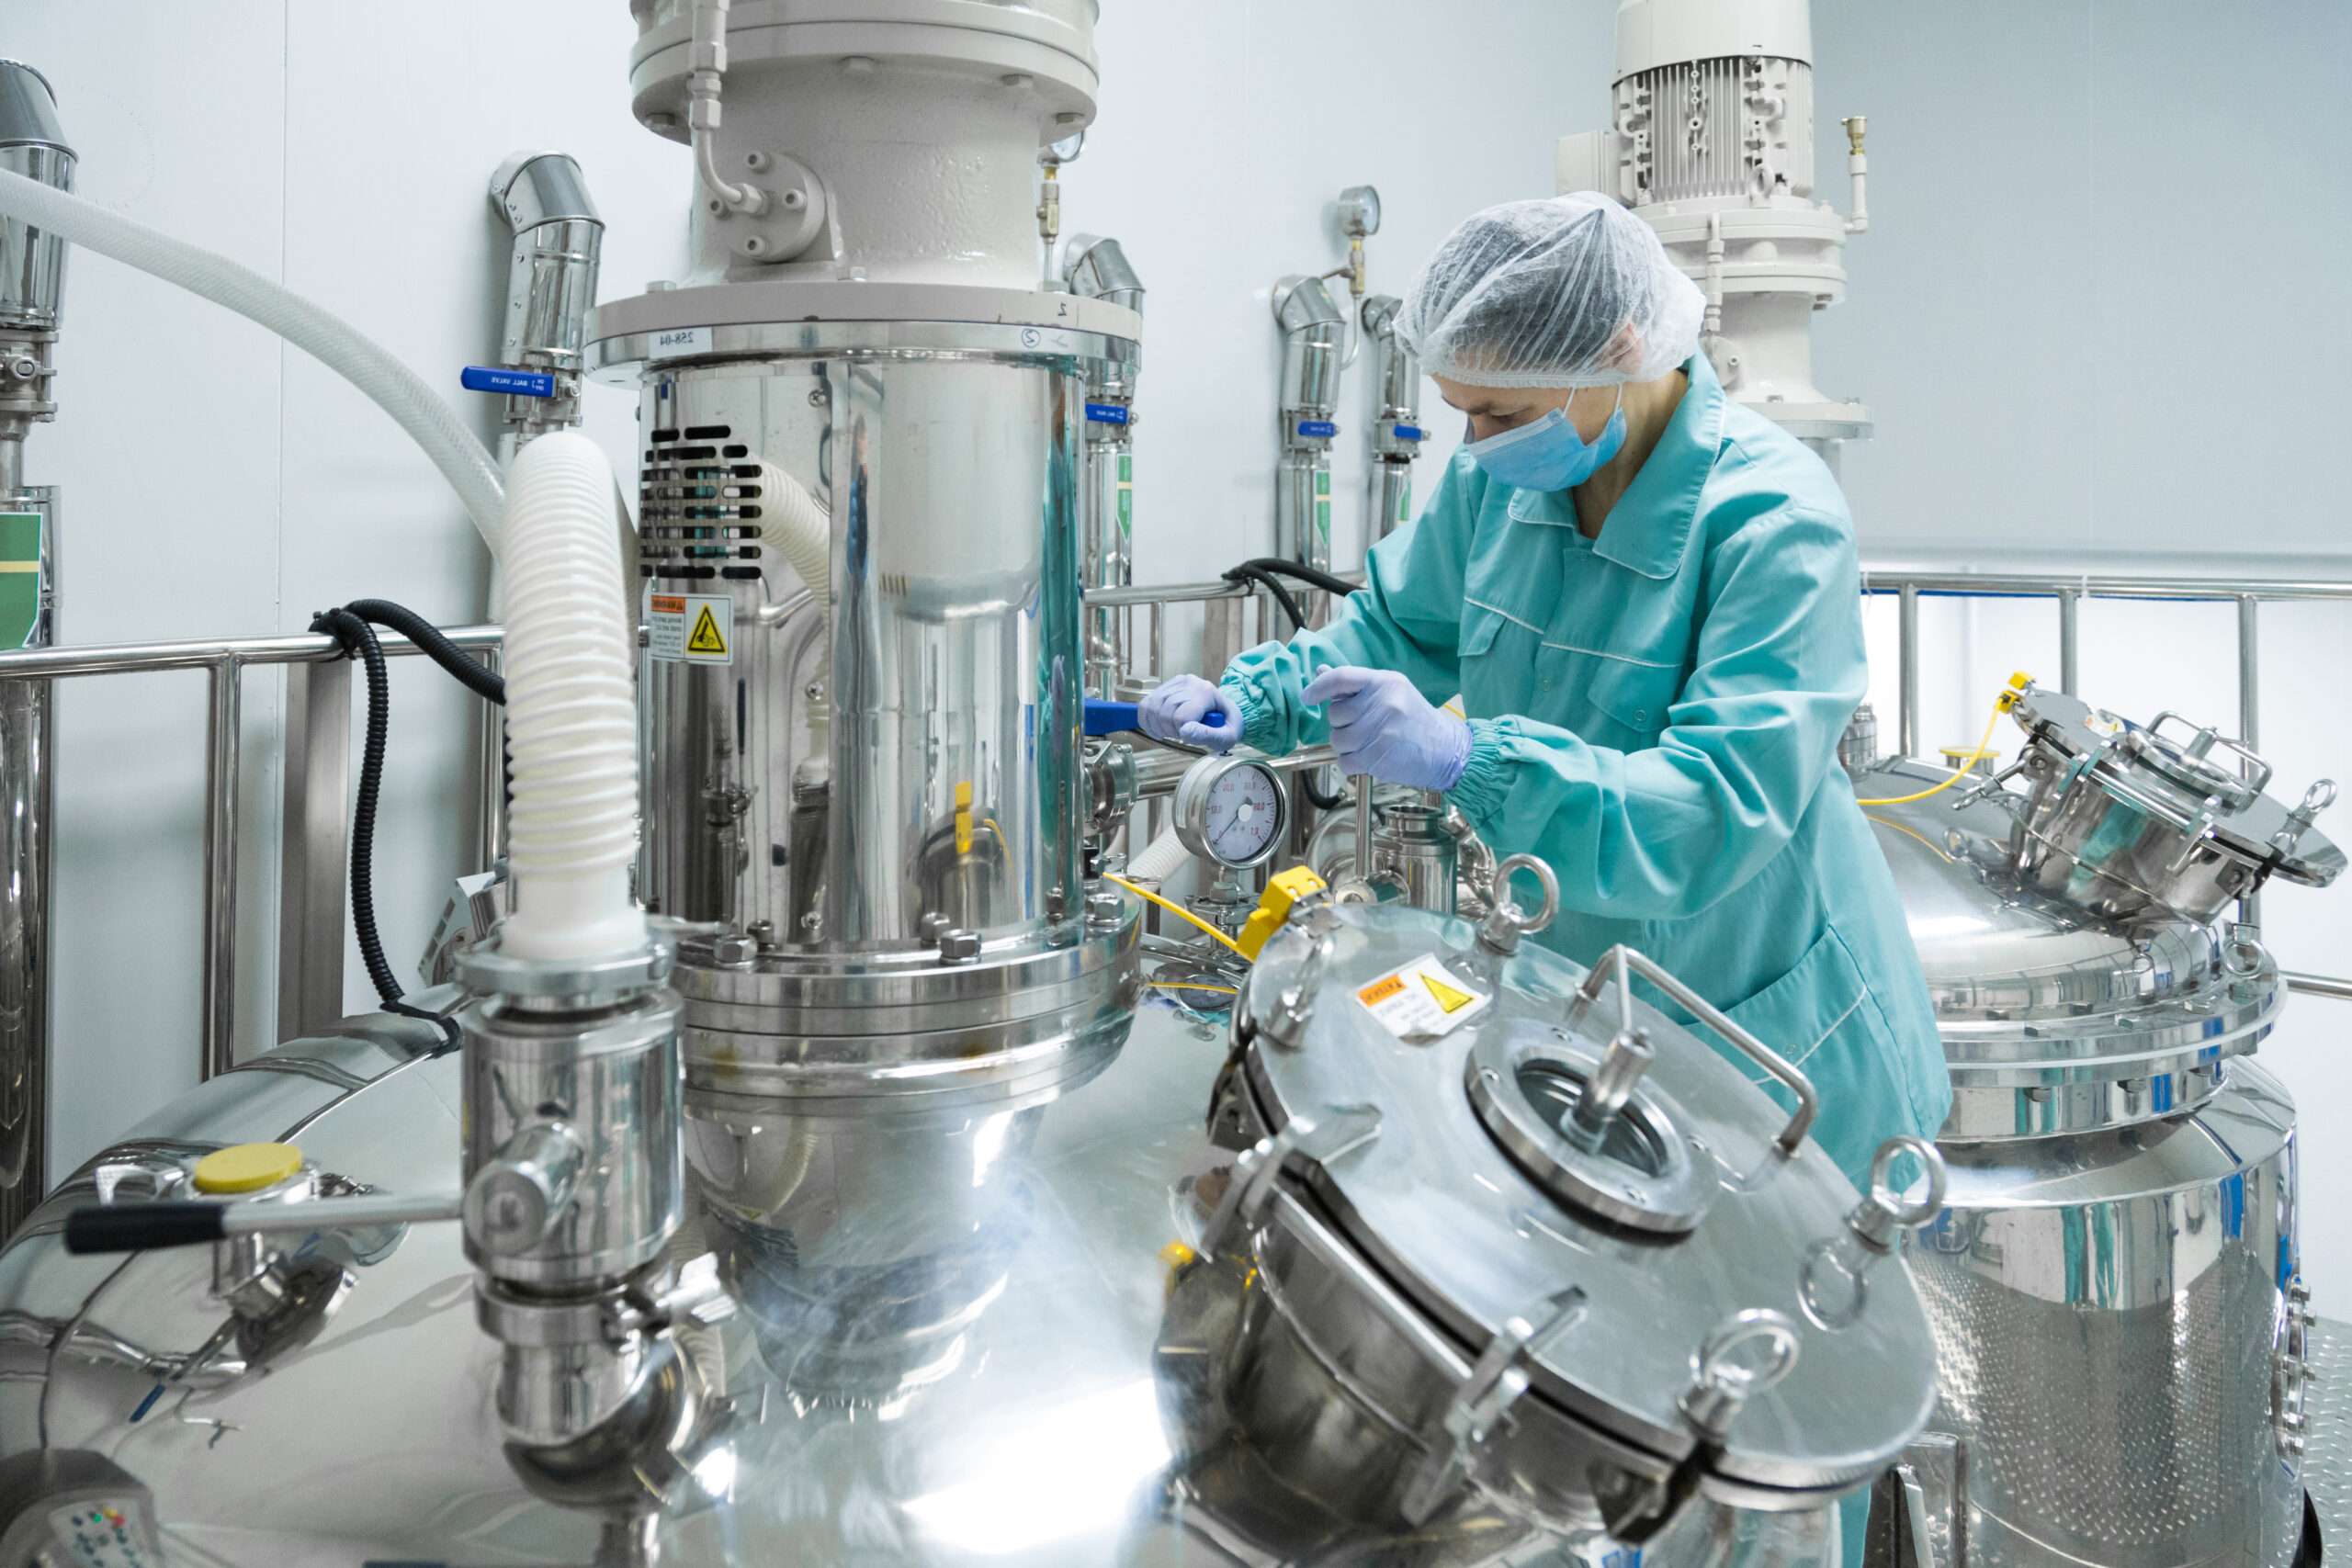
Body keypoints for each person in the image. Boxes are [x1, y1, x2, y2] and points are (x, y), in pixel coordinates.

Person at [1139, 193, 1949, 1189]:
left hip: (1765, 1025)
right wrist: (1256, 699)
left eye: (1500, 414)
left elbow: (1714, 808)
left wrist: (1468, 763)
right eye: (1464, 413)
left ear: (1616, 350)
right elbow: (1398, 626)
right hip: (1589, 998)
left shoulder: (1775, 521)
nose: (1475, 443)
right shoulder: (1506, 480)